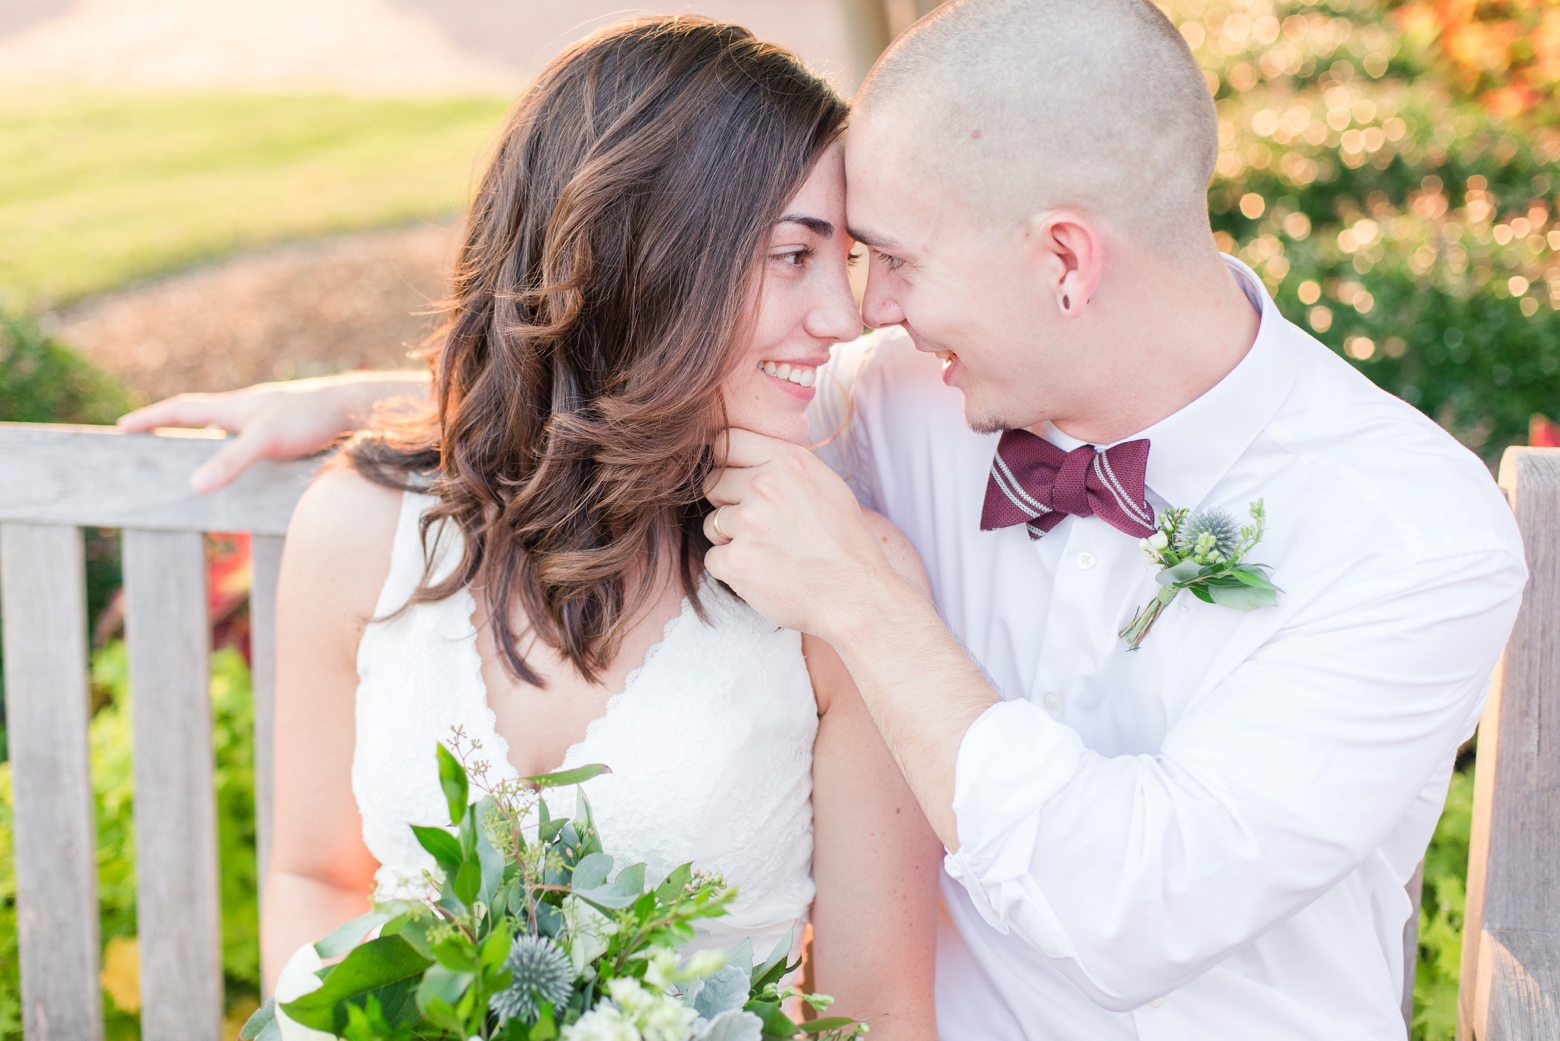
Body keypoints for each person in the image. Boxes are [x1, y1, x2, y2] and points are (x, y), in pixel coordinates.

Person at [121, 2, 1528, 1038]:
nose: (870, 312)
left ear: (1063, 259)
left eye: (892, 260)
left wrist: (864, 599)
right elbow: (656, 350)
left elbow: (1131, 913)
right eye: (845, 261)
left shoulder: (1410, 532)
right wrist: (382, 400)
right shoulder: (918, 389)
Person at [250, 18, 940, 1039]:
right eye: (796, 255)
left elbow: (875, 1014)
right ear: (637, 252)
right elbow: (314, 876)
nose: (844, 318)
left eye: (845, 259)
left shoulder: (841, 586)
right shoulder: (357, 531)